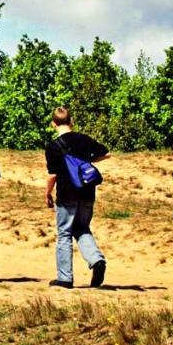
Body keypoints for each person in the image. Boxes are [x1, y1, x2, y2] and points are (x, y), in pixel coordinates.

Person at [44, 106, 109, 289]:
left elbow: (53, 175)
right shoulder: (84, 139)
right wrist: (86, 161)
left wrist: (47, 193)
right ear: (71, 121)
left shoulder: (53, 147)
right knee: (82, 228)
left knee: (64, 232)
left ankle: (65, 278)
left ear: (53, 124)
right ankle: (96, 260)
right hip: (87, 191)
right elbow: (105, 153)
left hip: (66, 194)